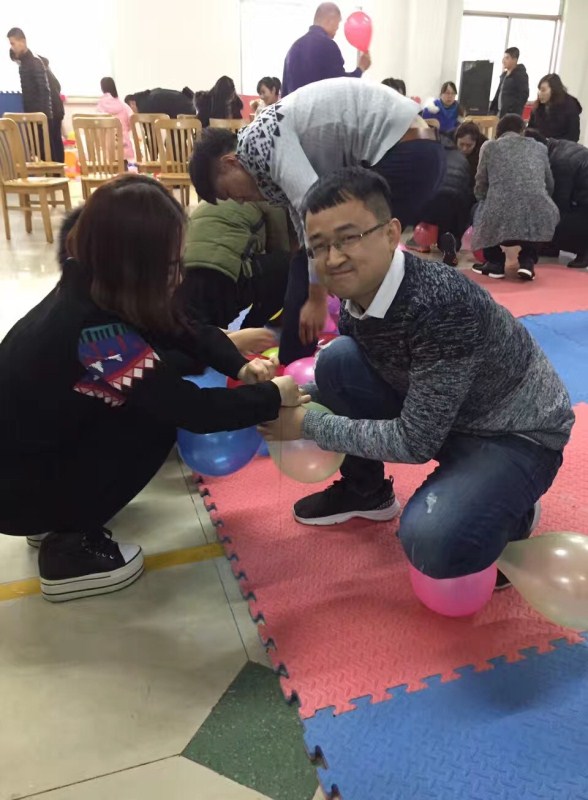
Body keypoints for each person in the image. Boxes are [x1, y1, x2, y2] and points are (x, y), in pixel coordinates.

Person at [259, 167, 573, 590]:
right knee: (337, 362)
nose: (333, 258)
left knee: (432, 542)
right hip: (451, 414)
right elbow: (390, 384)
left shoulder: (440, 305)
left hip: (516, 433)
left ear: (391, 233)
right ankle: (366, 491)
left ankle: (512, 509)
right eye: (319, 246)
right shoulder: (356, 300)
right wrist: (281, 400)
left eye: (349, 238)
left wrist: (308, 424)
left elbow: (414, 442)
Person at [0, 174, 304, 603]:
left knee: (149, 394)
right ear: (137, 265)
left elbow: (184, 326)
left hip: (23, 466)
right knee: (154, 420)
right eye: (171, 267)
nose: (178, 278)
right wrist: (274, 396)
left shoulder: (92, 283)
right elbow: (190, 409)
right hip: (17, 490)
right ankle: (70, 549)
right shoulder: (95, 332)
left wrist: (240, 364)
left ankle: (59, 514)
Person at [190, 78, 445, 365]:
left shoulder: (261, 141)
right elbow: (303, 224)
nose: (238, 200)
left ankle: (322, 365)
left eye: (228, 192)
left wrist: (316, 297)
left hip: (405, 152)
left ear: (230, 162)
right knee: (318, 259)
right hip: (418, 149)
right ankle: (315, 362)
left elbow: (312, 207)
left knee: (349, 255)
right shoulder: (261, 157)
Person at [177, 198, 291, 331]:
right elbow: (280, 248)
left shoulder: (210, 196)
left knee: (204, 326)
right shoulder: (270, 201)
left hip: (185, 276)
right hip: (225, 278)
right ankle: (250, 330)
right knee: (288, 266)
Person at [472, 114, 559, 282]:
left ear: (498, 132)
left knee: (478, 209)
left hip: (500, 214)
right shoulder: (540, 148)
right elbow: (549, 184)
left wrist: (484, 200)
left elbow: (480, 184)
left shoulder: (489, 147)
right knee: (537, 207)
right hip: (538, 214)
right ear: (522, 131)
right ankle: (527, 261)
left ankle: (495, 262)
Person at [525, 128, 588, 269]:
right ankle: (553, 246)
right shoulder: (556, 146)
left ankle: (583, 249)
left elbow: (559, 202)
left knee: (551, 215)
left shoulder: (560, 162)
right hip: (582, 200)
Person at [282, 2, 371, 97]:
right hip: (319, 106)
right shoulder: (328, 46)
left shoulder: (293, 49)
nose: (337, 29)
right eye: (338, 24)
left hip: (295, 106)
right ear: (330, 20)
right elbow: (341, 87)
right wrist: (360, 69)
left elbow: (284, 95)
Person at [419, 135, 472, 266]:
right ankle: (452, 244)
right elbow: (468, 186)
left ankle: (428, 243)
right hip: (458, 197)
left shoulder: (432, 153)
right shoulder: (461, 157)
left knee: (434, 221)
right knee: (454, 227)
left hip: (435, 195)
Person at [6, 28, 53, 158]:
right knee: (35, 154)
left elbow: (44, 91)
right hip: (30, 114)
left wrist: (42, 118)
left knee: (44, 155)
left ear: (22, 42)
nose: (12, 48)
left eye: (13, 43)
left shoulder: (35, 62)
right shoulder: (23, 64)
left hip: (40, 117)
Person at [528, 74, 582, 143]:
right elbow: (531, 128)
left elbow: (573, 135)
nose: (539, 93)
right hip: (537, 146)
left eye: (543, 90)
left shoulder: (570, 106)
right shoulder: (538, 106)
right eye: (539, 90)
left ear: (554, 90)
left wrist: (551, 143)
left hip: (560, 147)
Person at [97, 77, 135, 162]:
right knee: (126, 165)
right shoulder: (124, 106)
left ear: (102, 88)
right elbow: (131, 122)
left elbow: (98, 130)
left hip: (108, 149)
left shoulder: (100, 107)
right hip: (124, 146)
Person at [489, 47, 529, 118]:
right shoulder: (504, 75)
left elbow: (523, 96)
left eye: (507, 58)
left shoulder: (520, 75)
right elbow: (498, 93)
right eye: (504, 58)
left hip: (511, 116)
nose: (503, 61)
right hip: (499, 113)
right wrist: (492, 110)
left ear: (515, 60)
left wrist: (512, 111)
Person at [39, 56, 64, 163]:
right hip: (57, 110)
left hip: (51, 111)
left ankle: (54, 167)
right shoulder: (51, 75)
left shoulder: (42, 74)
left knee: (51, 142)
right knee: (56, 140)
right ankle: (60, 166)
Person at [455, 121, 488, 189]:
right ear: (456, 140)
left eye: (469, 145)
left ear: (476, 144)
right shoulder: (447, 145)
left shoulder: (485, 151)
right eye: (461, 144)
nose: (464, 149)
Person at [125, 87, 194, 118]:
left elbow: (149, 131)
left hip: (183, 113)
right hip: (190, 103)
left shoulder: (143, 107)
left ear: (132, 103)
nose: (133, 113)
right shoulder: (148, 95)